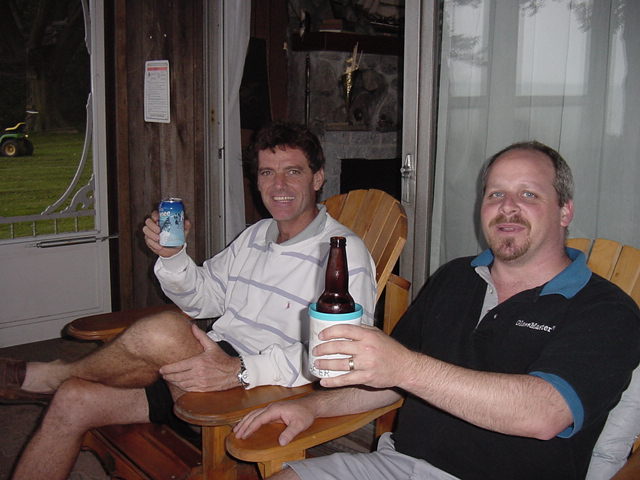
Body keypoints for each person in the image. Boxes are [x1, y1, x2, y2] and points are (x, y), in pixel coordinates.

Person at [233, 141, 640, 480]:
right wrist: (312, 406)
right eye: (495, 194)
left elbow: (545, 413)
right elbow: (391, 381)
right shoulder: (454, 278)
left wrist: (405, 367)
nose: (508, 207)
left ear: (565, 210)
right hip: (397, 466)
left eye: (528, 194)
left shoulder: (604, 311)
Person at [0, 121, 376, 480]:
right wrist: (173, 256)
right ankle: (60, 382)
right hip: (201, 374)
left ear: (317, 178)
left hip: (259, 393)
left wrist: (242, 370)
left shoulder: (343, 254)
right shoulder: (256, 235)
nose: (278, 185)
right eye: (266, 172)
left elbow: (345, 355)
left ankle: (51, 376)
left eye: (292, 171)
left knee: (166, 331)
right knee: (71, 400)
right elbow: (203, 300)